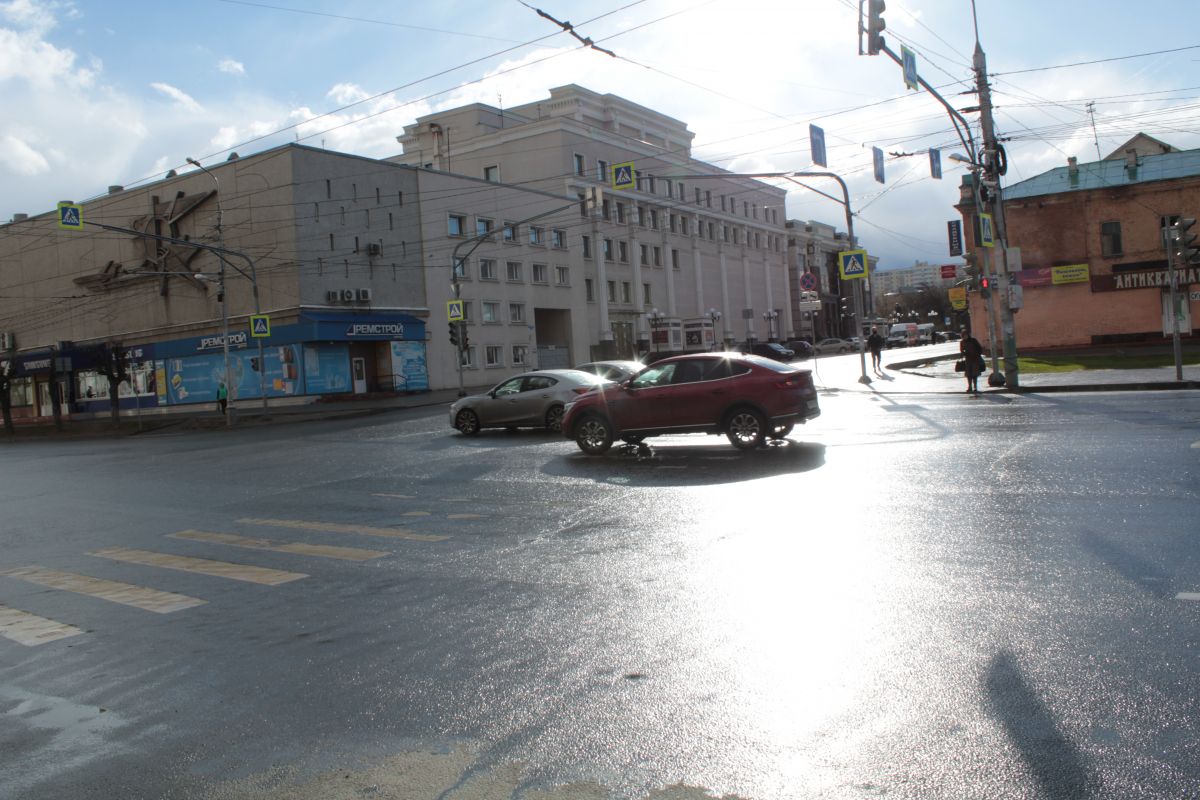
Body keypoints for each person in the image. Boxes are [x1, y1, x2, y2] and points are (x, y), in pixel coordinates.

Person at [960, 328, 984, 393]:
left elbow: (979, 348)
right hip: (968, 360)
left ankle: (975, 387)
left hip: (975, 359)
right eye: (963, 335)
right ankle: (970, 387)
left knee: (975, 374)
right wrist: (964, 353)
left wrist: (977, 354)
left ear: (968, 335)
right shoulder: (962, 342)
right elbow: (961, 350)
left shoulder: (973, 340)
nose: (965, 336)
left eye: (966, 335)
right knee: (968, 374)